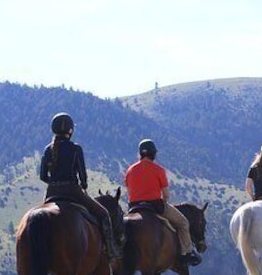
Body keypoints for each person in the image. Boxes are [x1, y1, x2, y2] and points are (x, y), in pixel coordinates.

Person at [39, 112, 120, 262]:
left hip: (51, 193)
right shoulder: (75, 149)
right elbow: (82, 176)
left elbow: (43, 176)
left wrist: (54, 183)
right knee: (104, 214)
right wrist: (84, 185)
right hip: (73, 191)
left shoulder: (47, 150)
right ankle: (111, 250)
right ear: (70, 130)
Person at [124, 138, 202, 266]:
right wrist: (164, 203)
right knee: (183, 223)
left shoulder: (130, 170)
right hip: (154, 205)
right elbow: (166, 194)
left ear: (140, 153)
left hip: (134, 207)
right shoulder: (158, 170)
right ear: (153, 153)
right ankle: (187, 254)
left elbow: (129, 192)